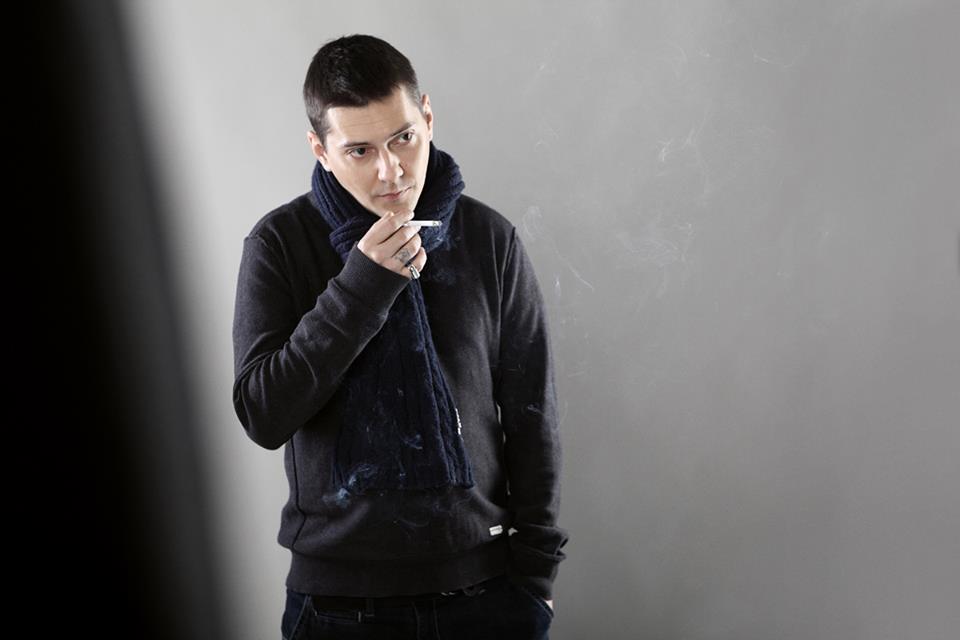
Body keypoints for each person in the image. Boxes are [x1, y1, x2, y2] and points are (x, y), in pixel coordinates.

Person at [232, 33, 568, 640]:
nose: (390, 170)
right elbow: (263, 414)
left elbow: (531, 417)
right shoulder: (279, 244)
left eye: (404, 138)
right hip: (339, 607)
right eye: (359, 150)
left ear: (428, 118)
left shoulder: (489, 239)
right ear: (321, 150)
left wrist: (536, 582)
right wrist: (363, 283)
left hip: (486, 596)